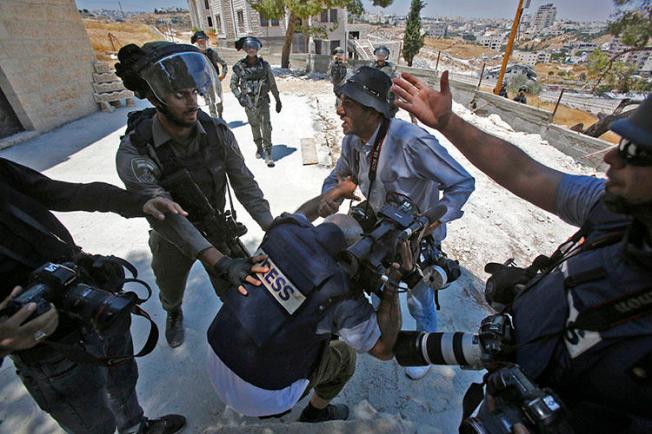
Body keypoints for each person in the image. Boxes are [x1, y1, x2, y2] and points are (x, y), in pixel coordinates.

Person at [391, 71, 652, 433]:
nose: (610, 157)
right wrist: (448, 123)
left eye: (633, 152)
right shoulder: (613, 210)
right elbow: (524, 172)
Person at [0, 157, 187, 434]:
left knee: (123, 380)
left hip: (95, 302)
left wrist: (134, 202)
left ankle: (136, 427)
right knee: (93, 423)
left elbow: (55, 191)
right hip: (50, 348)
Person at [320, 66, 475, 380]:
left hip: (414, 238)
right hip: (378, 229)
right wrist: (330, 195)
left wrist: (431, 220)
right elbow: (337, 177)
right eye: (341, 101)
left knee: (419, 298)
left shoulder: (411, 141)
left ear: (373, 110)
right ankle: (385, 329)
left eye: (347, 103)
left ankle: (424, 346)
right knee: (379, 286)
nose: (339, 110)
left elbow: (462, 183)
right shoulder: (352, 140)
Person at [114, 41, 273, 348]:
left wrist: (273, 226)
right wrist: (221, 264)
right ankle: (173, 313)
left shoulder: (216, 132)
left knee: (245, 294)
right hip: (172, 237)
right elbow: (168, 219)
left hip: (216, 226)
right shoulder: (135, 150)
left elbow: (245, 184)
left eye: (194, 92)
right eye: (179, 94)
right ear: (154, 96)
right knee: (170, 289)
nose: (192, 103)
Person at [206, 180, 402, 422]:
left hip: (216, 355)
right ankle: (316, 412)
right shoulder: (339, 293)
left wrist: (337, 192)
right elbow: (383, 350)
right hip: (263, 395)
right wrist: (392, 287)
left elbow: (301, 215)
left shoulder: (282, 232)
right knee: (345, 356)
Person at [230, 36, 282, 167]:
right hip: (249, 102)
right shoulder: (240, 67)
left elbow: (272, 84)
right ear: (245, 49)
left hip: (263, 101)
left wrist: (277, 99)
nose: (251, 50)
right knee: (254, 126)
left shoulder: (264, 66)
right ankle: (259, 147)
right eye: (248, 47)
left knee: (266, 126)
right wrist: (239, 96)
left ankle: (268, 152)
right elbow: (233, 84)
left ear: (257, 49)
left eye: (253, 47)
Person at [191, 30, 228, 119]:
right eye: (199, 41)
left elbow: (224, 64)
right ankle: (214, 119)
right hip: (204, 82)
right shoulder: (194, 54)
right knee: (210, 101)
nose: (201, 42)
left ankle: (220, 117)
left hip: (215, 80)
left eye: (203, 40)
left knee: (219, 100)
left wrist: (222, 75)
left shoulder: (212, 53)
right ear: (196, 42)